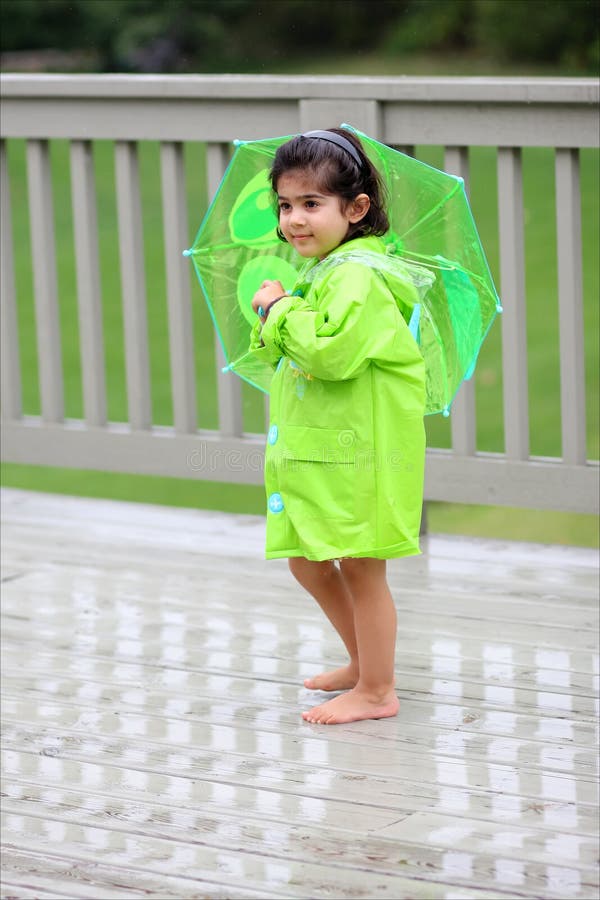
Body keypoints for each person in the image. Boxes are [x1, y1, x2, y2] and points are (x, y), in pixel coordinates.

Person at [249, 127, 426, 725]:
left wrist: (278, 309)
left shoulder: (359, 276)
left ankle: (378, 690)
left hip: (363, 451)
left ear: (356, 209)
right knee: (308, 559)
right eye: (285, 204)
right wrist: (280, 312)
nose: (294, 220)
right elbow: (289, 351)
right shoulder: (325, 272)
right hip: (328, 449)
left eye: (311, 204)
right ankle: (364, 663)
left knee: (360, 564)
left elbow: (330, 355)